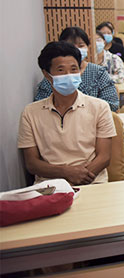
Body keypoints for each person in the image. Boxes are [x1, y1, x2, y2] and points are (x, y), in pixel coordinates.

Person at [19, 41, 116, 185]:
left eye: (74, 69)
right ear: (46, 74)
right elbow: (32, 163)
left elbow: (104, 157)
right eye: (61, 70)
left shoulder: (100, 107)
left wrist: (81, 177)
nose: (69, 75)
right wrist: (66, 173)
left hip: (92, 182)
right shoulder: (30, 113)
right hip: (50, 186)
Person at [35, 27, 119, 112]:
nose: (76, 49)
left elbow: (112, 104)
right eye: (71, 45)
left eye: (81, 45)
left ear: (87, 47)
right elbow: (41, 106)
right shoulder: (53, 77)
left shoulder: (99, 72)